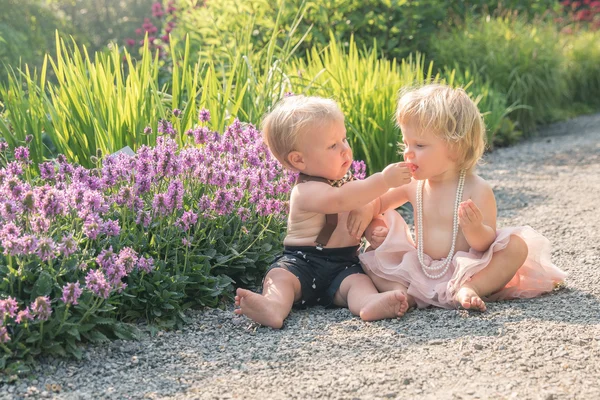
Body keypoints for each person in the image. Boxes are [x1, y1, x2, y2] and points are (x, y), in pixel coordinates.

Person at [352, 84, 566, 312]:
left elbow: (486, 243)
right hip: (420, 268)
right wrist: (368, 212)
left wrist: (474, 228)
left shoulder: (476, 188)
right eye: (406, 143)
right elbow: (380, 202)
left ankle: (471, 289)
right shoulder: (413, 183)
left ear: (455, 147)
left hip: (467, 268)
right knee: (375, 254)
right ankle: (403, 295)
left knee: (515, 247)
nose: (408, 152)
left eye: (419, 145)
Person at [234, 95, 413, 328]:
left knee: (359, 283)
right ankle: (273, 306)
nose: (345, 150)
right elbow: (339, 201)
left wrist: (410, 188)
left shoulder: (350, 185)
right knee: (280, 278)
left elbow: (378, 202)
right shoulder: (306, 191)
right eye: (333, 146)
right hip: (302, 261)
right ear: (299, 160)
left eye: (344, 139)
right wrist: (383, 180)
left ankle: (370, 304)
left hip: (343, 263)